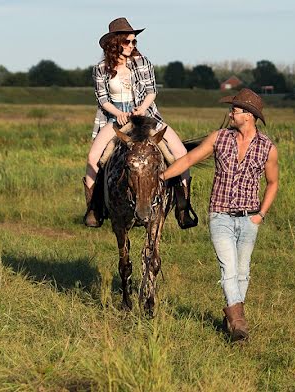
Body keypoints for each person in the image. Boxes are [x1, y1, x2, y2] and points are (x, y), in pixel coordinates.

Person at [161, 88, 279, 342]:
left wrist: (261, 214)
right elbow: (190, 158)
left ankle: (233, 320)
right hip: (220, 216)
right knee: (228, 269)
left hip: (249, 218)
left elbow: (272, 183)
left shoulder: (268, 148)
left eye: (234, 110)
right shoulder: (219, 138)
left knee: (243, 271)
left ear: (247, 115)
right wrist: (162, 176)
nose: (230, 114)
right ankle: (239, 325)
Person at [83, 17, 194, 228]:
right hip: (117, 119)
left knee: (181, 154)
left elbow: (152, 91)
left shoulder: (143, 62)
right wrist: (118, 113)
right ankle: (94, 208)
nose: (132, 45)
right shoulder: (101, 68)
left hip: (145, 116)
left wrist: (142, 108)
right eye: (127, 41)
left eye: (134, 41)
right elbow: (102, 98)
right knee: (93, 158)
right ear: (115, 43)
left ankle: (183, 206)